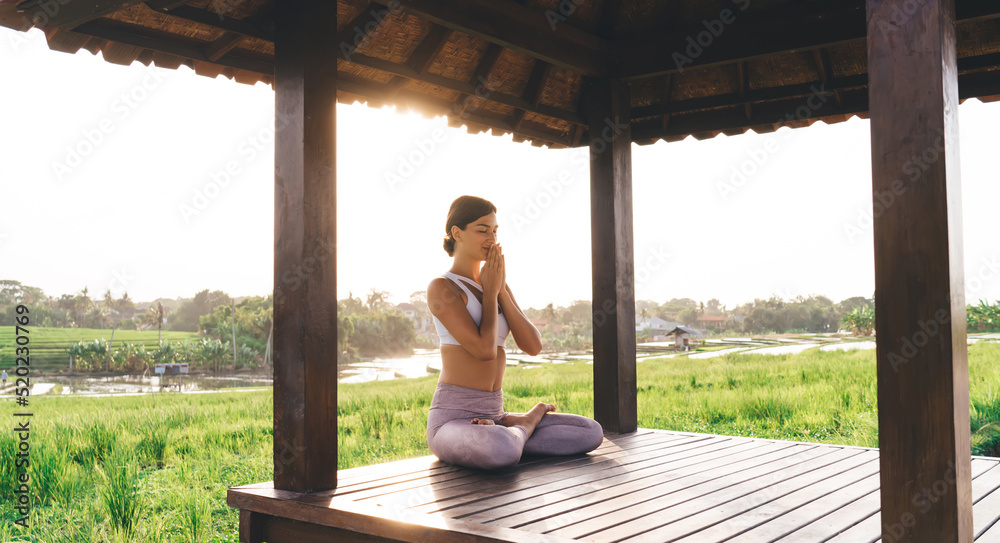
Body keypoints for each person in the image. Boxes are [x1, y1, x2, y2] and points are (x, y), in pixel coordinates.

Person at [426, 195, 604, 470]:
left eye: (495, 231)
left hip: (495, 415)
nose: (491, 238)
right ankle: (526, 425)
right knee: (498, 448)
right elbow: (484, 351)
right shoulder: (443, 287)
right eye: (482, 230)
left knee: (590, 432)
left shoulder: (495, 284)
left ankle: (513, 432)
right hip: (452, 420)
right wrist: (489, 295)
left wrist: (499, 290)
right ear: (457, 233)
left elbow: (533, 345)